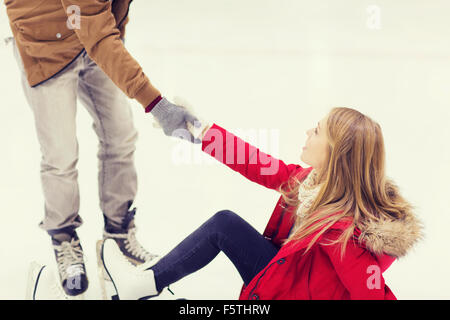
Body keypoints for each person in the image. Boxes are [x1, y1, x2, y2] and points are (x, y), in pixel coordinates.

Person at [101, 107, 423, 300]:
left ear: (335, 153)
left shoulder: (340, 231)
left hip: (285, 293)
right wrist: (196, 131)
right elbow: (257, 163)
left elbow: (372, 292)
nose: (308, 131)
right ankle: (143, 283)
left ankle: (143, 283)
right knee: (224, 225)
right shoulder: (311, 183)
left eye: (318, 130)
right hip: (283, 279)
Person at [4, 0, 200, 296]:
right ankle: (64, 238)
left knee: (120, 135)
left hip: (90, 36)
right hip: (45, 44)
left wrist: (115, 36)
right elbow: (98, 34)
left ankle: (118, 234)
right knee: (61, 153)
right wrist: (159, 106)